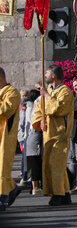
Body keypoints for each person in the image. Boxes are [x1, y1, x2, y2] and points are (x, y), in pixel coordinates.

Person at [31, 64, 74, 206]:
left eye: (47, 73)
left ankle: (58, 194)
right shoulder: (47, 90)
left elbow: (58, 109)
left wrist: (47, 96)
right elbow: (39, 109)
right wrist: (40, 121)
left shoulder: (65, 91)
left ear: (54, 76)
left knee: (56, 164)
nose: (45, 76)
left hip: (60, 133)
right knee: (53, 165)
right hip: (48, 134)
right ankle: (66, 193)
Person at [0, 67, 22, 211]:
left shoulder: (12, 92)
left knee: (2, 168)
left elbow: (6, 110)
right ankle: (13, 189)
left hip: (5, 137)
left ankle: (3, 198)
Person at [25, 89, 42, 195]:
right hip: (35, 134)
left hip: (30, 136)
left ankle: (35, 186)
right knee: (35, 161)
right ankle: (35, 187)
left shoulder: (30, 107)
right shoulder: (36, 104)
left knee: (32, 161)